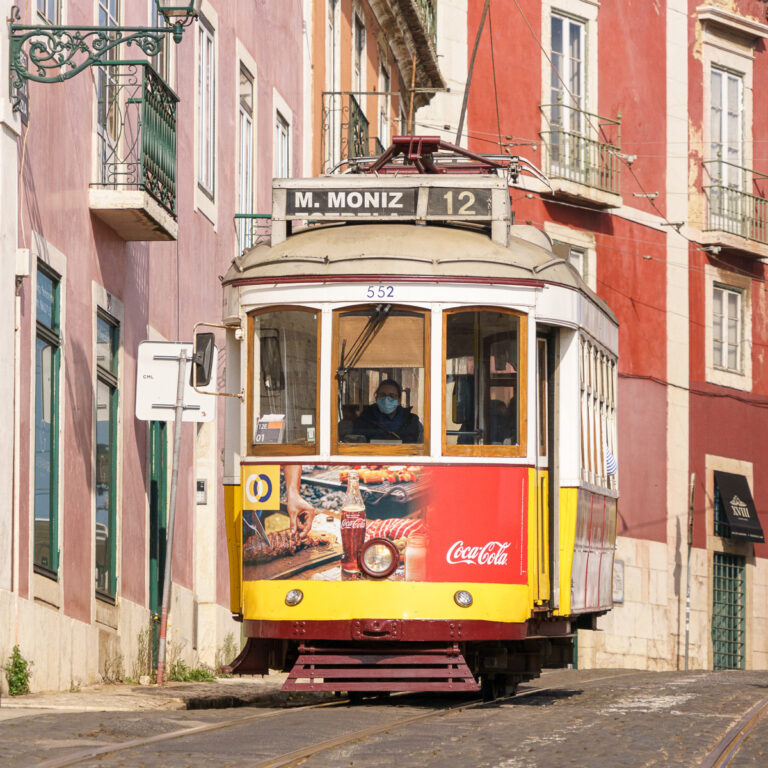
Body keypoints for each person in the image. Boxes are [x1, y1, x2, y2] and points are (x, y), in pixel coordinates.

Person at [351, 379, 423, 443]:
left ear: (399, 400)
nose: (386, 400)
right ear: (376, 398)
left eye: (392, 396)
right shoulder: (364, 421)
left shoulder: (412, 421)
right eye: (382, 395)